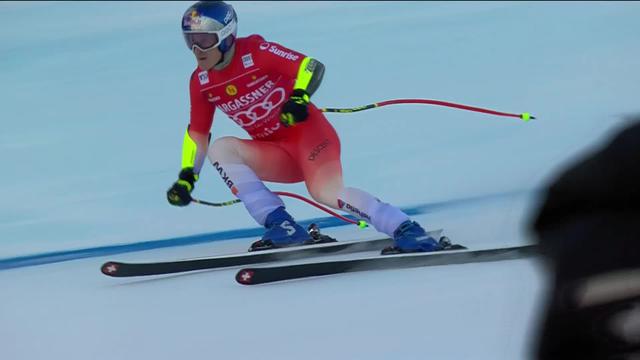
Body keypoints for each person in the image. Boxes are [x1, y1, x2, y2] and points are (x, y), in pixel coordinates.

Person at [166, 1, 441, 253]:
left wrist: (299, 97)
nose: (196, 50)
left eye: (204, 40)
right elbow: (198, 133)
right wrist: (187, 176)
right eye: (190, 41)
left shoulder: (256, 52)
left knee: (326, 193)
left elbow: (310, 66)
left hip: (311, 139)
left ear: (226, 37)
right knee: (222, 148)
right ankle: (282, 226)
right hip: (277, 154)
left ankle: (405, 228)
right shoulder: (200, 82)